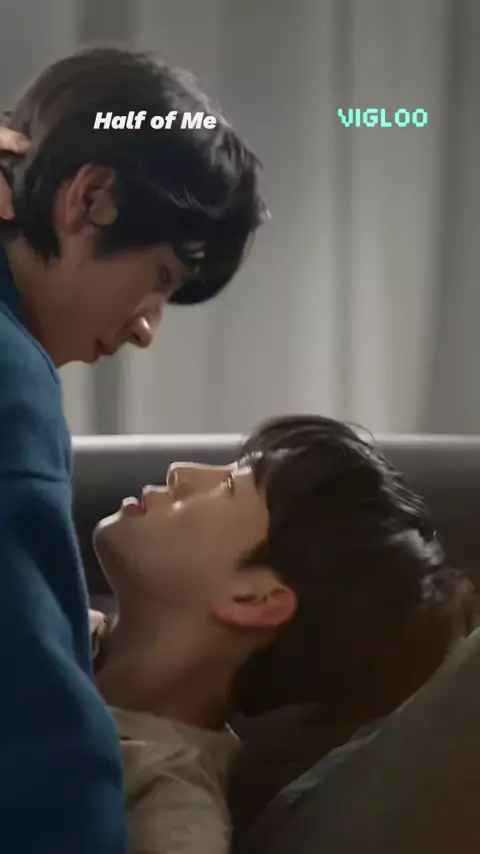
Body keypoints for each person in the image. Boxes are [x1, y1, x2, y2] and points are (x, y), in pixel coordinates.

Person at [0, 46, 265, 853]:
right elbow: (31, 724)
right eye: (159, 277)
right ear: (92, 199)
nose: (148, 328)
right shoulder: (11, 379)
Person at [88, 414, 473, 853]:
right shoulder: (54, 622)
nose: (180, 471)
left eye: (229, 486)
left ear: (254, 600)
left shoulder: (165, 807)